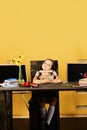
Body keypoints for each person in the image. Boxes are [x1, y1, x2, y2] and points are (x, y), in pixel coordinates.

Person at [32, 58, 62, 127]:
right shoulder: (38, 72)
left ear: (51, 67)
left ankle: (47, 122)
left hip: (51, 91)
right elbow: (34, 81)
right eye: (45, 63)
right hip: (41, 92)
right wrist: (48, 81)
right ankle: (47, 121)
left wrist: (44, 81)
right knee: (42, 101)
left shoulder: (53, 72)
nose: (45, 65)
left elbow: (59, 80)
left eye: (48, 65)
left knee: (53, 100)